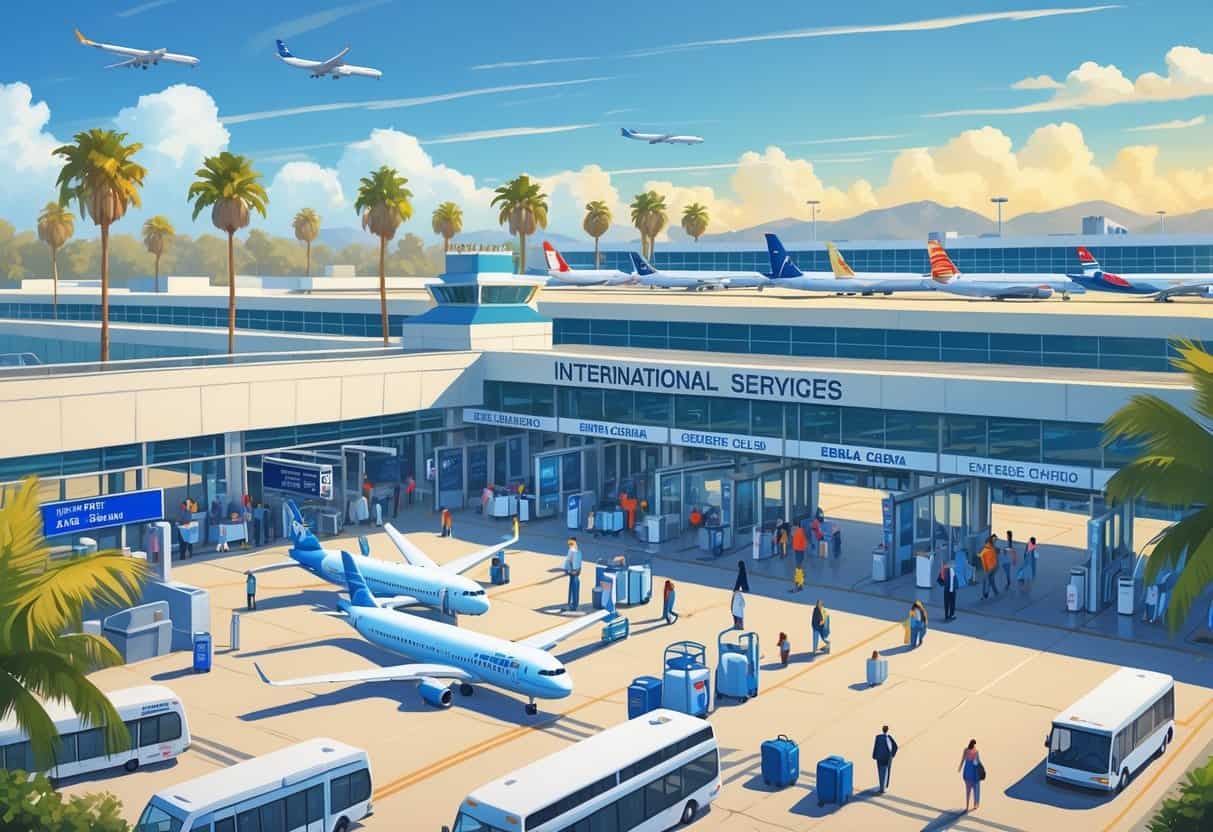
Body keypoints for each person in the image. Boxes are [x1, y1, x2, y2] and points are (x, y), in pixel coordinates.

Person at [872, 725, 899, 794]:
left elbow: (875, 746)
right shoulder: (888, 738)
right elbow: (894, 747)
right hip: (886, 758)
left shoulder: (878, 737)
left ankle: (881, 786)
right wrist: (892, 755)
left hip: (879, 757)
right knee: (886, 772)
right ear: (887, 730)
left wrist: (874, 755)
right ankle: (883, 788)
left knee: (880, 772)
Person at [958, 739, 983, 812]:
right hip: (974, 773)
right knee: (976, 789)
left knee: (968, 790)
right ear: (974, 745)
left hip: (966, 773)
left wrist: (960, 767)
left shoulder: (965, 750)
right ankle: (976, 804)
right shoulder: (976, 751)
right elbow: (977, 762)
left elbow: (962, 759)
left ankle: (967, 806)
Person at [564, 537, 582, 612]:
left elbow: (571, 561)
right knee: (574, 589)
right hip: (575, 572)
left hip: (573, 573)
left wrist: (569, 570)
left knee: (573, 589)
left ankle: (573, 605)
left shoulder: (573, 551)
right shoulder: (575, 550)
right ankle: (574, 604)